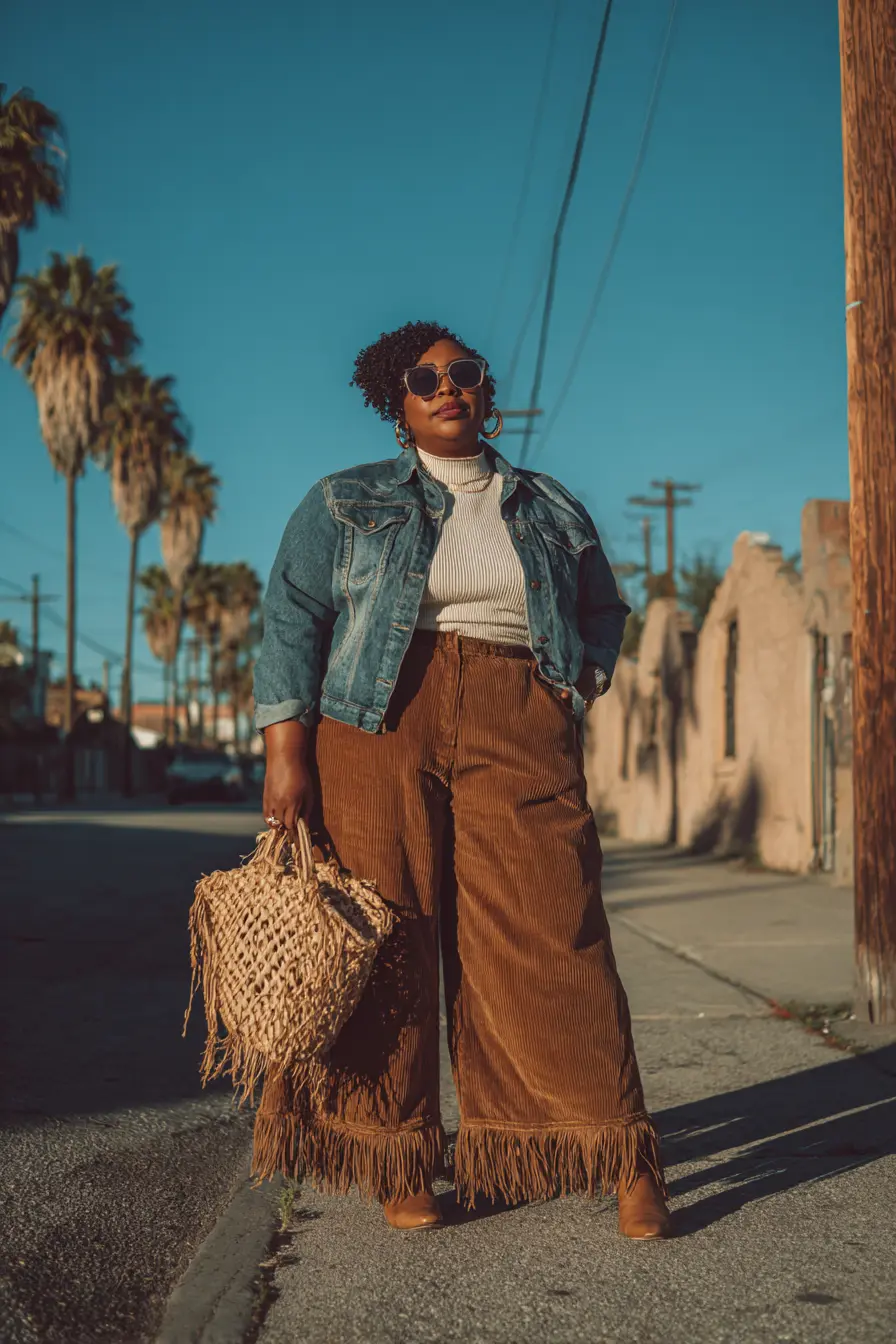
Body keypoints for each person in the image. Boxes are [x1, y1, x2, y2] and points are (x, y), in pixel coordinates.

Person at [254, 320, 670, 1238]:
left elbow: (605, 609)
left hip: (517, 711)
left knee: (553, 927)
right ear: (395, 403)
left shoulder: (549, 504)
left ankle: (614, 1149)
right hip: (375, 720)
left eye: (465, 373)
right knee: (387, 932)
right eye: (425, 378)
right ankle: (398, 1153)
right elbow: (292, 616)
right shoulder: (344, 499)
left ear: (486, 391)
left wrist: (576, 680)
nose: (449, 387)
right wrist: (287, 752)